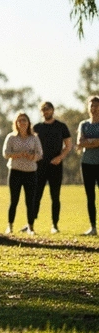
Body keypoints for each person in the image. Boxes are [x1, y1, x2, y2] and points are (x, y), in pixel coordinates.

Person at [32, 102, 72, 233]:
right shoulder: (36, 128)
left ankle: (55, 225)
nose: (45, 112)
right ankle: (30, 224)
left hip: (56, 166)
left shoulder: (61, 126)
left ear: (53, 110)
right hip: (39, 166)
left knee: (55, 196)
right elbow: (30, 144)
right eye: (43, 110)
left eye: (47, 109)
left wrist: (60, 157)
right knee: (36, 196)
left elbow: (68, 145)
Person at [2, 112, 43, 235]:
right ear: (16, 123)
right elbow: (5, 153)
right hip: (15, 172)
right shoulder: (11, 137)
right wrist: (19, 154)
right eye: (19, 121)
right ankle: (10, 226)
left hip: (30, 172)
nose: (22, 123)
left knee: (30, 201)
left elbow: (40, 154)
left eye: (24, 120)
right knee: (14, 200)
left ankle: (30, 227)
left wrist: (32, 156)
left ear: (28, 122)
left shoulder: (34, 138)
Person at [76, 95, 99, 236]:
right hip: (87, 164)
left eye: (96, 105)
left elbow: (85, 142)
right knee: (90, 196)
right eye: (91, 105)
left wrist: (88, 141)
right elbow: (79, 143)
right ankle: (93, 227)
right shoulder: (83, 124)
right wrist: (95, 141)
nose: (94, 108)